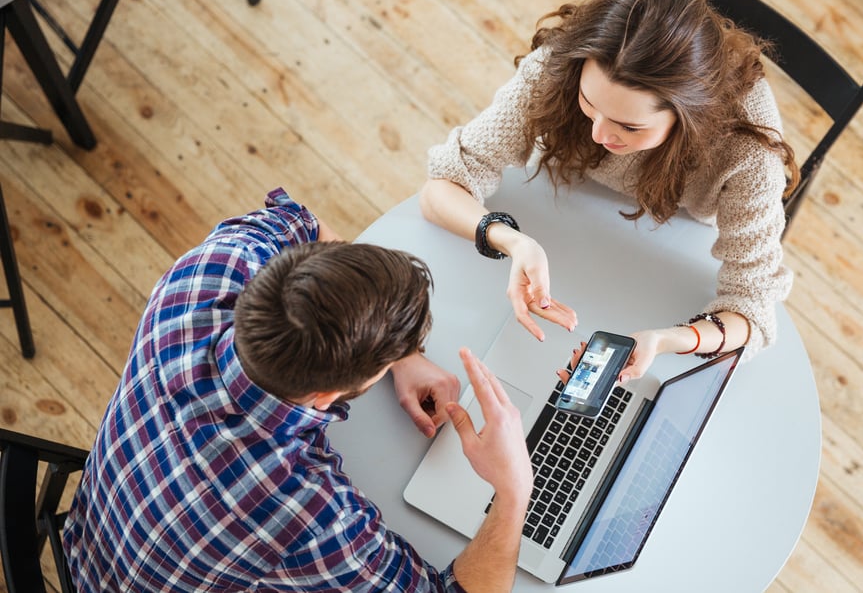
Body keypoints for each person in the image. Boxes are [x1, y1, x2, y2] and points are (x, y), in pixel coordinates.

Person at [63, 188, 532, 593]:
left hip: (89, 540)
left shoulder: (215, 267)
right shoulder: (304, 513)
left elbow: (306, 224)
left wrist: (399, 351)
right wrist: (512, 491)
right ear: (326, 397)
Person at [420, 0, 798, 381]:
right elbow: (441, 187)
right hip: (568, 199)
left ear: (691, 119)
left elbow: (753, 309)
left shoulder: (748, 151)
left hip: (685, 230)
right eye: (588, 103)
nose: (599, 134)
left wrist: (669, 339)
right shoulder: (560, 63)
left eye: (629, 126)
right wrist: (512, 240)